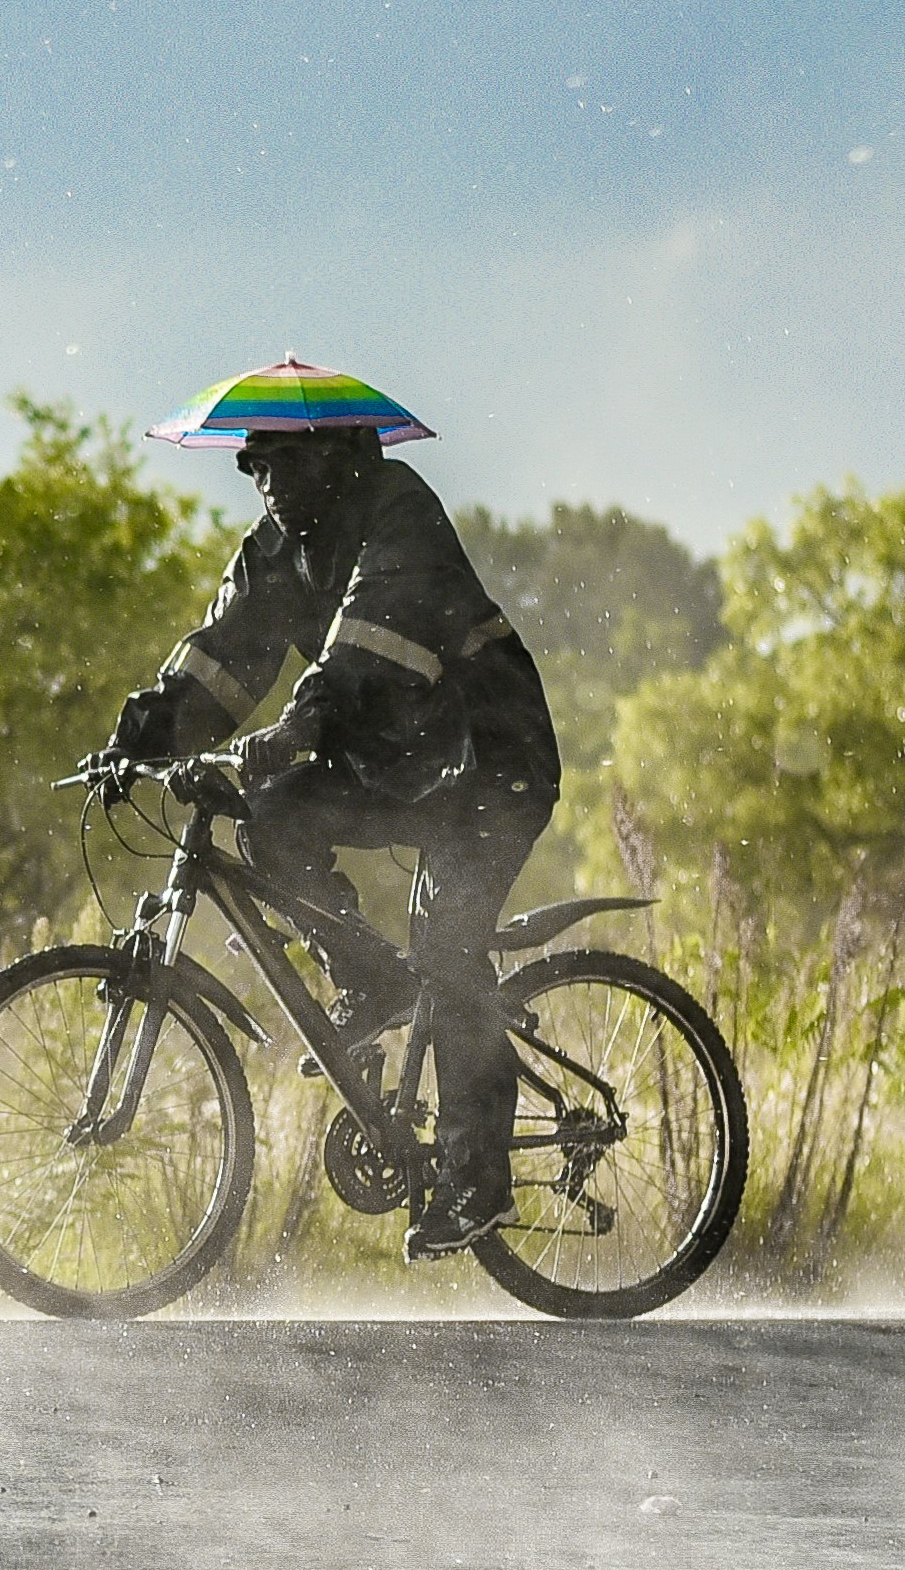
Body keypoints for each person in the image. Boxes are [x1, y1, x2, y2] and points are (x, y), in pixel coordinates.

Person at [103, 360, 561, 1257]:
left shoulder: (399, 510)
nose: (259, 478)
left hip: (487, 758)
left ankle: (478, 1180)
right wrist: (143, 732)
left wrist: (303, 718)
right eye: (247, 463)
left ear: (333, 451)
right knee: (269, 810)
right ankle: (367, 978)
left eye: (273, 459)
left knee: (447, 943)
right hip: (398, 762)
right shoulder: (277, 547)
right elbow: (222, 650)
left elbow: (373, 635)